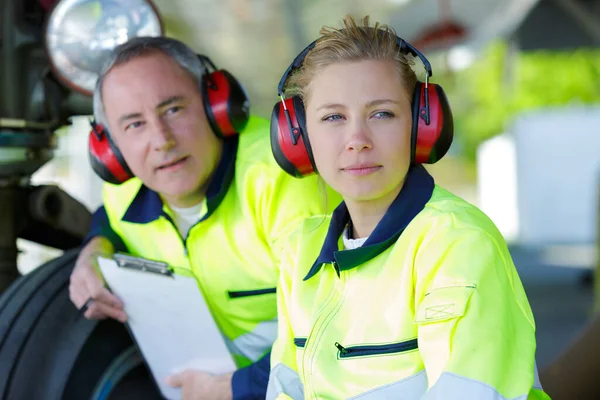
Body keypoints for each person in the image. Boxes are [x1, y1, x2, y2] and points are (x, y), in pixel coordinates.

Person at [265, 15, 551, 400]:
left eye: (381, 113)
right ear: (298, 136)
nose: (357, 139)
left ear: (421, 126)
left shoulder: (456, 243)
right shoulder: (300, 251)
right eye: (333, 117)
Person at [68, 36, 338, 400]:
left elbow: (339, 336)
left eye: (173, 110)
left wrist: (230, 389)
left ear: (217, 105)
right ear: (110, 149)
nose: (161, 140)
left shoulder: (284, 181)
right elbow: (109, 218)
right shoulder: (123, 190)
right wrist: (93, 250)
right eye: (134, 125)